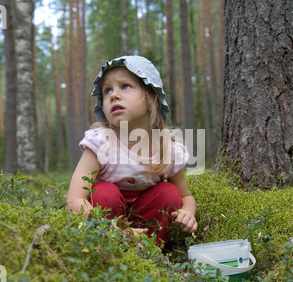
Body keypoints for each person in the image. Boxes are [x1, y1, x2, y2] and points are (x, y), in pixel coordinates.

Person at [66, 56, 197, 247]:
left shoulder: (167, 148)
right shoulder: (102, 142)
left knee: (169, 192)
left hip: (145, 221)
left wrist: (188, 212)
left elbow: (186, 196)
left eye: (125, 86)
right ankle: (109, 252)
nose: (114, 95)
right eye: (107, 90)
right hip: (107, 226)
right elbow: (74, 201)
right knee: (104, 193)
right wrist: (114, 231)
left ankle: (147, 254)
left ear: (151, 100)